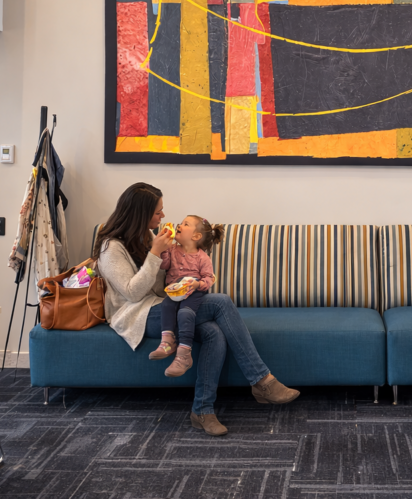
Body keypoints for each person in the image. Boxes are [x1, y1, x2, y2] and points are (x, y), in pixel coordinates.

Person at [92, 183, 299, 436]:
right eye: (158, 212)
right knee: (221, 302)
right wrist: (156, 253)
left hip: (163, 304)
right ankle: (262, 381)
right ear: (140, 213)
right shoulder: (111, 248)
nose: (163, 217)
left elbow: (160, 286)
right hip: (136, 315)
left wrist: (176, 264)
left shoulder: (146, 237)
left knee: (214, 332)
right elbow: (133, 293)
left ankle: (202, 410)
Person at [150, 215, 223, 378]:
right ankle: (167, 342)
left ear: (196, 236)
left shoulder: (202, 257)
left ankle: (184, 354)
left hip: (194, 290)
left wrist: (197, 285)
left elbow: (209, 278)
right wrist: (163, 249)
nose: (179, 225)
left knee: (185, 313)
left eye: (185, 224)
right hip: (175, 290)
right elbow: (164, 265)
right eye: (181, 223)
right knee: (167, 305)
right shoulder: (172, 249)